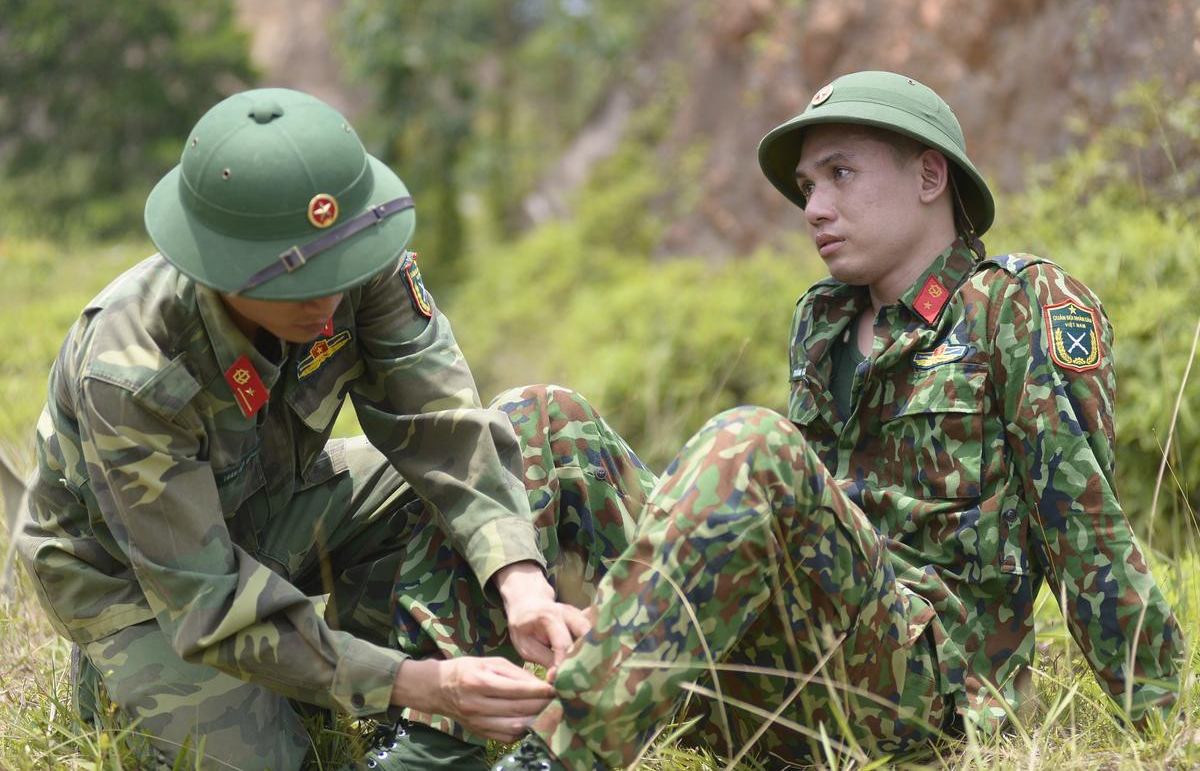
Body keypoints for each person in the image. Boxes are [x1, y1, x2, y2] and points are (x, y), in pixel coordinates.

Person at [495, 70, 1183, 770]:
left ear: (929, 176)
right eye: (807, 187)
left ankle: (556, 753)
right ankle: (457, 721)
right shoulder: (822, 321)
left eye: (840, 173)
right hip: (798, 665)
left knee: (750, 445)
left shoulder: (1017, 304)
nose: (815, 207)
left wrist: (1161, 728)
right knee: (538, 418)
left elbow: (1087, 531)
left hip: (922, 695)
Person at [16, 88, 653, 770]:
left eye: (338, 269)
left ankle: (360, 672)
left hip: (275, 503)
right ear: (217, 266)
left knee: (531, 439)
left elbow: (445, 429)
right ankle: (123, 668)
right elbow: (206, 596)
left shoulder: (359, 261)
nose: (326, 300)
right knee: (265, 758)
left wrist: (520, 581)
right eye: (296, 280)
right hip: (142, 577)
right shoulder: (133, 368)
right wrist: (420, 685)